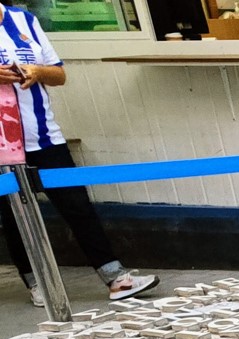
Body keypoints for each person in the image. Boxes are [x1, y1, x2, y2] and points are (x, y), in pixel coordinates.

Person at [0, 4, 157, 305]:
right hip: (3, 145)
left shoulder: (24, 20)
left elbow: (58, 74)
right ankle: (37, 283)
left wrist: (36, 71)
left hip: (44, 136)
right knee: (15, 216)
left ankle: (115, 277)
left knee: (78, 205)